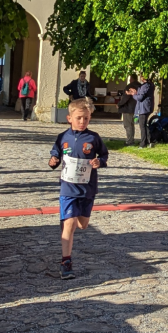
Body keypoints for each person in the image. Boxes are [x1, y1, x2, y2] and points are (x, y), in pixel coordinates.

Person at [48, 97, 108, 279]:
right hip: (68, 187)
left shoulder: (93, 138)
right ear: (69, 118)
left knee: (82, 224)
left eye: (86, 118)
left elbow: (104, 155)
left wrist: (99, 162)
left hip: (87, 188)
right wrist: (53, 161)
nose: (82, 122)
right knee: (70, 223)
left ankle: (73, 219)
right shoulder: (63, 137)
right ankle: (66, 262)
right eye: (79, 118)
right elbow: (55, 154)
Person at [135, 74, 155, 148]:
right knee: (144, 125)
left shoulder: (145, 85)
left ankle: (143, 143)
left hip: (143, 108)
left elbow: (140, 97)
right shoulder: (150, 85)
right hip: (146, 107)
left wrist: (134, 94)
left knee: (142, 126)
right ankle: (150, 141)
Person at [117, 80, 137, 146]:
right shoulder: (139, 86)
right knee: (131, 125)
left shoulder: (129, 87)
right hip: (133, 108)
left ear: (131, 79)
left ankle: (129, 141)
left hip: (127, 109)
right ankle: (131, 139)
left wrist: (119, 104)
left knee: (128, 125)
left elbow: (125, 98)